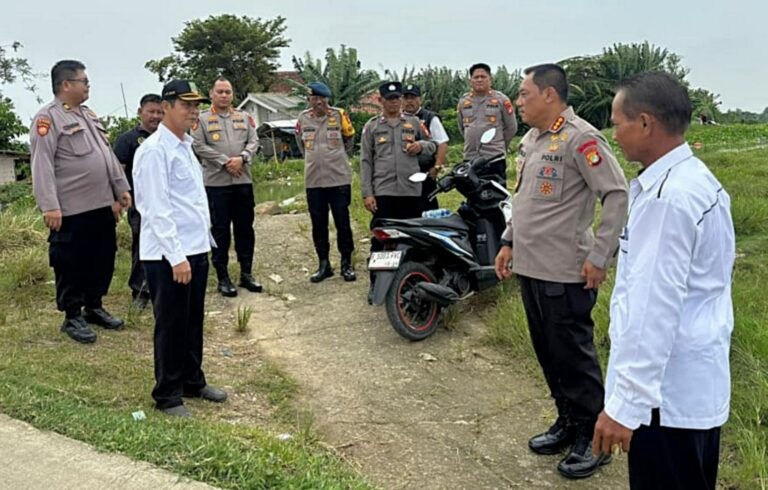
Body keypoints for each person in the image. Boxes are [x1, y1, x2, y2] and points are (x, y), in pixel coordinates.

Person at [592, 72, 735, 490]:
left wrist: (625, 406)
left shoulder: (667, 200)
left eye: (617, 123)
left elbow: (652, 309)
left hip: (663, 399)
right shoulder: (697, 180)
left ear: (645, 123)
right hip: (693, 388)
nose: (613, 135)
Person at [494, 64, 628, 479]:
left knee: (574, 357)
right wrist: (508, 240)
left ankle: (593, 437)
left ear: (549, 95)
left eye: (524, 94)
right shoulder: (532, 139)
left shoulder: (581, 138)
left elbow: (616, 194)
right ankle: (568, 420)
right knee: (548, 353)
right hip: (531, 266)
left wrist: (601, 256)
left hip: (565, 271)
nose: (518, 101)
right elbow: (524, 199)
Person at [133, 79, 227, 418]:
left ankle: (191, 380)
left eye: (196, 105)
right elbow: (155, 209)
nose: (193, 111)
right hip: (168, 255)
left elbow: (191, 201)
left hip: (195, 248)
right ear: (167, 106)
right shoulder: (154, 150)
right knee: (171, 323)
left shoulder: (185, 145)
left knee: (192, 320)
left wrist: (201, 247)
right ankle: (168, 395)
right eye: (186, 105)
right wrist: (176, 257)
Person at [30, 59, 131, 344]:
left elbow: (106, 155)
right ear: (66, 84)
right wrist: (50, 205)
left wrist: (120, 188)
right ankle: (72, 315)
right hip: (70, 209)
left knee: (102, 258)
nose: (88, 86)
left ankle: (94, 306)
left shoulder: (88, 115)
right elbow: (41, 165)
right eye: (83, 81)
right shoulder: (47, 118)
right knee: (71, 262)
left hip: (101, 204)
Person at [360, 81, 436, 301]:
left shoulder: (414, 123)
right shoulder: (372, 127)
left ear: (401, 100)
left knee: (413, 238)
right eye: (389, 99)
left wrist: (421, 146)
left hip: (410, 191)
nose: (394, 103)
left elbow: (432, 145)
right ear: (380, 101)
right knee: (381, 239)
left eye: (397, 99)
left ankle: (412, 282)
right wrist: (367, 193)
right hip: (384, 192)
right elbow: (365, 161)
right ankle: (376, 284)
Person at [192, 77, 262, 297]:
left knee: (245, 229)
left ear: (232, 95)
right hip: (217, 184)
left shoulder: (244, 117)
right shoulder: (202, 119)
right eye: (220, 91)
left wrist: (242, 158)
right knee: (220, 231)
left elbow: (254, 141)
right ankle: (223, 277)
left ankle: (246, 273)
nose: (224, 95)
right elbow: (197, 145)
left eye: (228, 92)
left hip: (243, 181)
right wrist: (225, 161)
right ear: (211, 94)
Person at [295, 81, 357, 283]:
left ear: (327, 99)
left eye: (322, 98)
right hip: (314, 181)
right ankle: (324, 264)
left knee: (343, 223)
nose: (319, 102)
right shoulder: (303, 118)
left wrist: (338, 158)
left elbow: (349, 139)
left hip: (338, 179)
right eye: (314, 98)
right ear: (309, 99)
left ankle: (346, 263)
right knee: (318, 225)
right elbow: (300, 143)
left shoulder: (339, 115)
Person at [113, 94, 163, 310]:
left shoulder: (170, 136)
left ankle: (163, 287)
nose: (155, 116)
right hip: (140, 204)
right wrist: (119, 198)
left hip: (166, 202)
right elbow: (117, 171)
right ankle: (140, 291)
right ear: (140, 112)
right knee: (142, 245)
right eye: (151, 111)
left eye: (160, 112)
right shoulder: (128, 139)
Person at [457, 63, 517, 182]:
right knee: (473, 192)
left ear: (490, 79)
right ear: (470, 81)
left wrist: (499, 146)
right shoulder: (463, 102)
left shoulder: (501, 100)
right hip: (470, 158)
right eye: (476, 77)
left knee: (495, 191)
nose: (479, 80)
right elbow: (462, 127)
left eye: (483, 77)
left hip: (494, 158)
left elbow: (511, 128)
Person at [402, 83, 450, 211]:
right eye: (406, 98)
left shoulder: (430, 117)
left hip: (425, 170)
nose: (409, 101)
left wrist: (437, 167)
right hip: (404, 172)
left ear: (420, 99)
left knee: (427, 206)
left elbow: (442, 143)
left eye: (413, 98)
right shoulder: (397, 118)